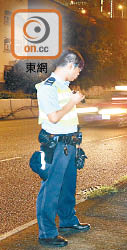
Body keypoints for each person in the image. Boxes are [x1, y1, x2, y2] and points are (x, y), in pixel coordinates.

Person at [35, 49, 89, 247]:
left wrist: (76, 142)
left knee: (67, 188)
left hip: (69, 145)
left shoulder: (64, 87)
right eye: (77, 71)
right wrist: (72, 102)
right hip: (55, 146)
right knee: (50, 190)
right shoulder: (47, 87)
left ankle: (67, 221)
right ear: (70, 65)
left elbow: (67, 118)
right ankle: (47, 233)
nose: (77, 75)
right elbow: (54, 118)